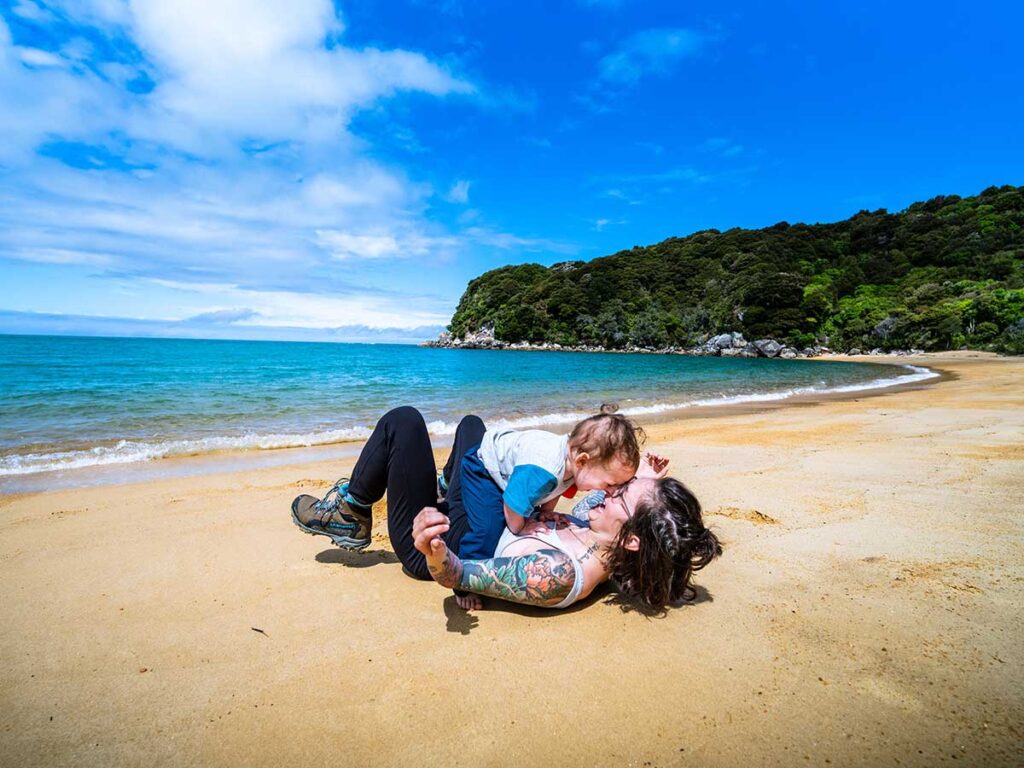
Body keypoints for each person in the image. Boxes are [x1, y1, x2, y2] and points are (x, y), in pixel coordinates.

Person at [291, 406, 721, 612]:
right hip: (477, 505)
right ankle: (447, 483)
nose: (609, 493)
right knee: (474, 427)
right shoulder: (606, 529)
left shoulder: (561, 573)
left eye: (620, 494)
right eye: (617, 485)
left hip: (441, 542)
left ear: (631, 537)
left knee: (404, 422)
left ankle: (352, 510)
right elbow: (629, 498)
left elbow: (458, 574)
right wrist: (650, 474)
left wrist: (434, 552)